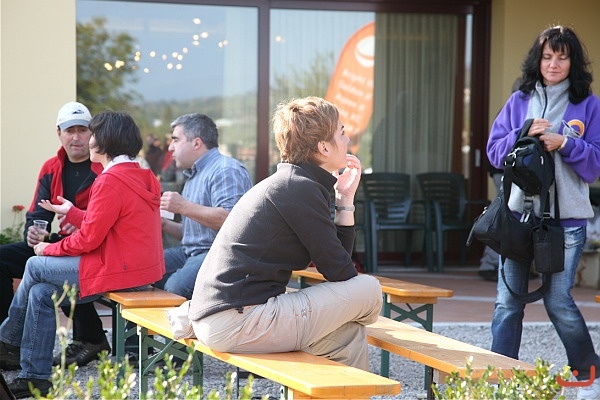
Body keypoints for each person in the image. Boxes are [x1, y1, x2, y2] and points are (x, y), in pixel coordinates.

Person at [187, 96, 382, 370]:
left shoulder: (292, 182)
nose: (348, 139)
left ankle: (350, 390)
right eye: (342, 132)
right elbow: (340, 272)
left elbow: (338, 266)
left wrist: (344, 199)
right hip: (237, 321)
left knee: (346, 334)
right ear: (324, 147)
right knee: (369, 289)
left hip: (224, 319)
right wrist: (353, 304)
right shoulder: (298, 188)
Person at [0, 110, 165, 398]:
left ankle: (7, 338)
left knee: (35, 265)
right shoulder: (142, 174)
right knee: (40, 292)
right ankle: (34, 379)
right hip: (137, 269)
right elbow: (112, 221)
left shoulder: (110, 180)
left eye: (92, 134)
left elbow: (88, 239)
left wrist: (48, 248)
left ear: (105, 141)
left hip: (119, 270)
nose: (88, 140)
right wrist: (73, 212)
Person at [486, 26, 600, 398]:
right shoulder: (519, 99)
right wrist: (522, 132)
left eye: (562, 57)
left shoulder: (589, 104)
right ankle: (501, 380)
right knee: (507, 302)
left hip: (566, 221)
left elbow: (596, 165)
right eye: (547, 56)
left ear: (573, 62)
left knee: (558, 301)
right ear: (538, 60)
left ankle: (589, 373)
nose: (553, 64)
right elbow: (494, 152)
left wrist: (566, 143)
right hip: (518, 218)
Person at [0, 101, 110, 369]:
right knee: (3, 258)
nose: (76, 137)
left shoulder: (103, 168)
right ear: (59, 133)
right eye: (70, 130)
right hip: (58, 243)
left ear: (92, 134)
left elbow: (110, 216)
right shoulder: (51, 167)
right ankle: (6, 343)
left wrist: (83, 223)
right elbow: (37, 211)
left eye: (82, 130)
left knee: (55, 267)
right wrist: (32, 232)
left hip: (93, 247)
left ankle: (91, 339)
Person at [155, 113, 252, 299]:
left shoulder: (225, 170)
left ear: (196, 143)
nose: (170, 147)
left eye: (176, 139)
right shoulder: (194, 175)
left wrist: (183, 206)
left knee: (174, 287)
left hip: (222, 255)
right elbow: (194, 234)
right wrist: (164, 224)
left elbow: (231, 220)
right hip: (191, 253)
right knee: (144, 270)